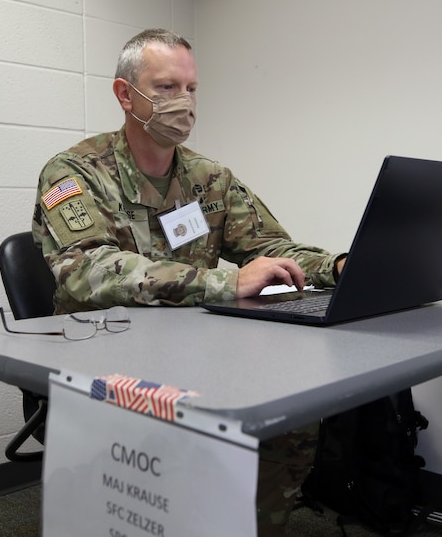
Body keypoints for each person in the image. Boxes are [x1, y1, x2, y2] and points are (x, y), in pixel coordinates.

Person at [31, 28, 346, 535]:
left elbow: (269, 249)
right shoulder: (73, 173)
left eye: (191, 89)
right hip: (104, 357)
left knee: (292, 412)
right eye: (165, 87)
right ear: (124, 94)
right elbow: (87, 269)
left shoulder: (209, 178)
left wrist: (335, 267)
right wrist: (223, 284)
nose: (184, 102)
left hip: (193, 351)